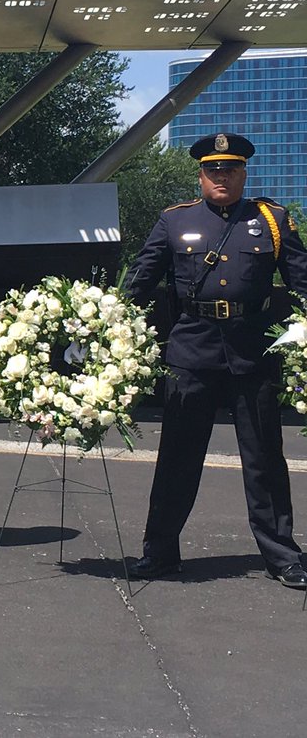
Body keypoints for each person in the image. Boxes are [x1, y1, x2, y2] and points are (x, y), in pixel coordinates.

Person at [123, 132, 307, 589]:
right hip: (192, 353)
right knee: (177, 458)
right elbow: (139, 283)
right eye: (213, 169)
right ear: (201, 175)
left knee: (264, 459)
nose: (221, 176)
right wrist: (104, 327)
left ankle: (282, 555)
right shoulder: (174, 220)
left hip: (252, 352)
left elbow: (303, 278)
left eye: (230, 168)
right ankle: (160, 551)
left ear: (244, 173)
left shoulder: (272, 220)